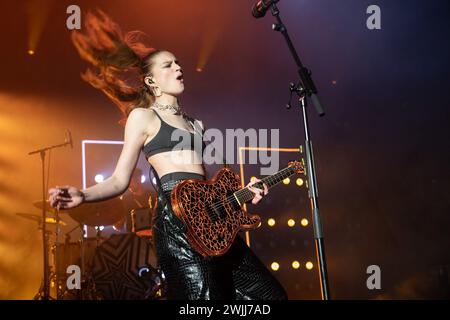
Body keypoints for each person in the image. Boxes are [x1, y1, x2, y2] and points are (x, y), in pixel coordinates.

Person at [48, 10, 287, 300]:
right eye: (168, 65)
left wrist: (242, 195)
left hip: (215, 226)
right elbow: (119, 180)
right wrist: (83, 195)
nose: (178, 67)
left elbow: (208, 188)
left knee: (271, 297)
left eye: (178, 62)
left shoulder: (197, 124)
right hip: (178, 229)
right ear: (151, 82)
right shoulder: (143, 117)